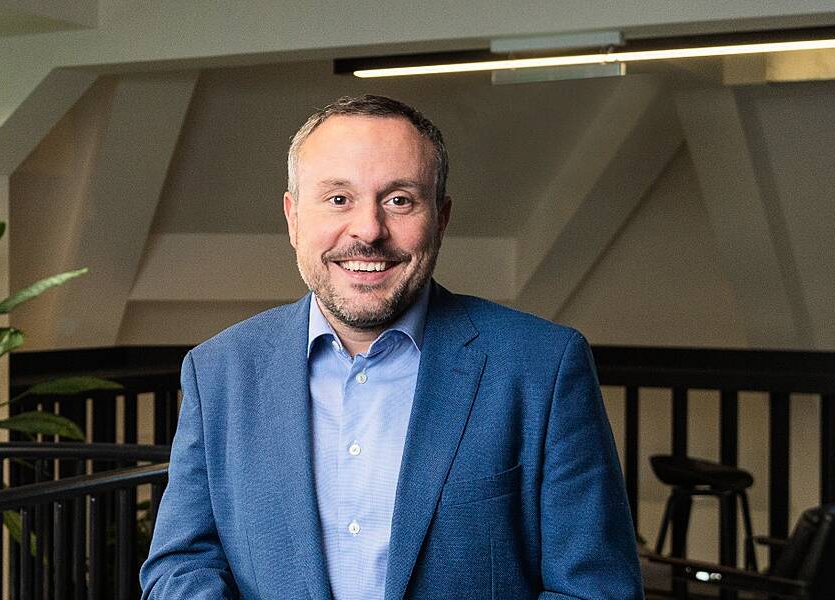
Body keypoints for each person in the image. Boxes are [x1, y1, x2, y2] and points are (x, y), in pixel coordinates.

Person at [140, 95, 643, 599]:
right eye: (338, 199)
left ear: (441, 219)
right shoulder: (218, 371)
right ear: (293, 218)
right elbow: (180, 565)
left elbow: (596, 590)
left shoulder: (542, 367)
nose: (368, 230)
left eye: (399, 200)